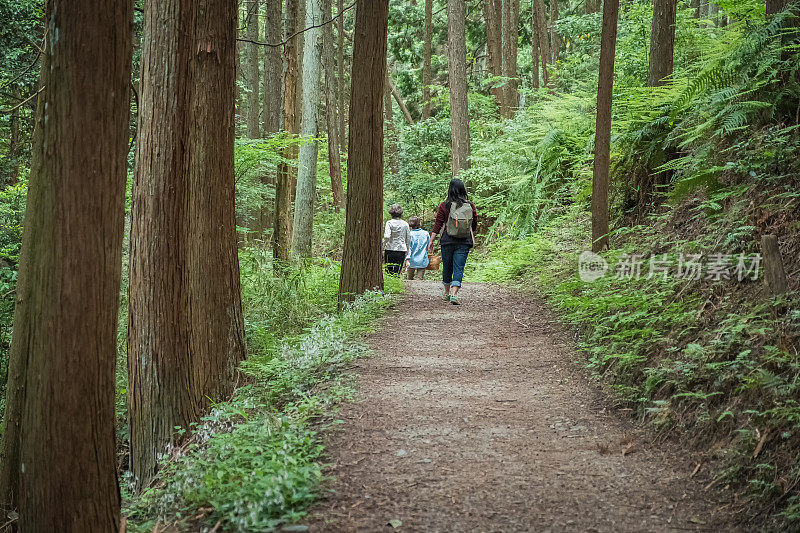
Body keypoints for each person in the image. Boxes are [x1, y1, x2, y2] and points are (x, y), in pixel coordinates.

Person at [428, 179, 478, 305]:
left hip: (447, 240)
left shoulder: (445, 205)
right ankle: (454, 294)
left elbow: (438, 224)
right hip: (464, 241)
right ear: (463, 190)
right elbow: (474, 223)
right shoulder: (470, 205)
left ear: (450, 190)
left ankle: (446, 293)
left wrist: (431, 240)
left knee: (447, 267)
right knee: (459, 268)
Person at [383, 203, 410, 275]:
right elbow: (408, 238)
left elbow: (387, 236)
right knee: (397, 272)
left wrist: (383, 244)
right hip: (401, 250)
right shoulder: (405, 224)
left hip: (389, 249)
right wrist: (407, 249)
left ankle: (390, 286)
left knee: (389, 271)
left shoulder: (389, 223)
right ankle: (396, 285)